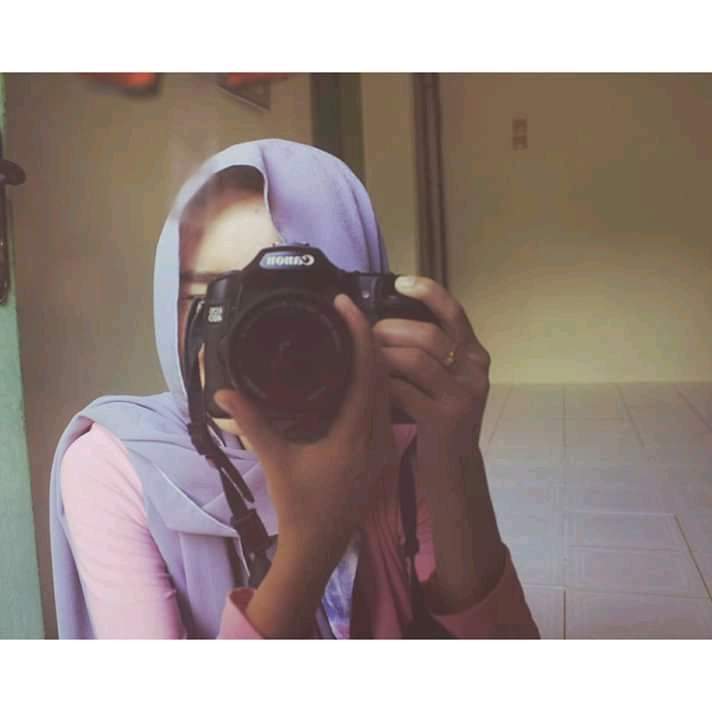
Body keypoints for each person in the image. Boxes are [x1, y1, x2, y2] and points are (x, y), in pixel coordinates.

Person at [49, 139, 539, 639]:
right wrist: (312, 543)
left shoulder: (398, 441)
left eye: (290, 305)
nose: (260, 340)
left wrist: (455, 461)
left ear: (364, 304)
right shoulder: (119, 467)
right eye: (212, 298)